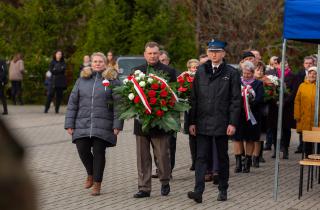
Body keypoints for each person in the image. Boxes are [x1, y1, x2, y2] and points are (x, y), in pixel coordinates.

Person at [187, 39, 241, 203]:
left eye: (217, 51)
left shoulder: (231, 72)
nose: (214, 54)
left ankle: (223, 189)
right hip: (202, 121)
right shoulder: (201, 70)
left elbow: (236, 100)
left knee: (222, 157)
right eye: (211, 51)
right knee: (201, 158)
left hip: (222, 122)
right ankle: (198, 191)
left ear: (223, 53)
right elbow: (194, 98)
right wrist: (192, 122)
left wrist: (232, 123)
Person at [65, 52, 123, 196]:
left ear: (105, 63)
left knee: (98, 152)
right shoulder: (82, 80)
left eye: (100, 61)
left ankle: (97, 183)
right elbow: (73, 102)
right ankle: (90, 174)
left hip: (104, 123)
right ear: (90, 63)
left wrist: (117, 124)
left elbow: (119, 104)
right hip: (82, 122)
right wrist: (69, 123)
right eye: (95, 61)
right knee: (82, 149)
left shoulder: (113, 80)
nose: (97, 63)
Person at [132, 41, 176, 198]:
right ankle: (144, 187)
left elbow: (175, 96)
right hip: (141, 123)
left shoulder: (169, 71)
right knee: (142, 157)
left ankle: (164, 181)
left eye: (155, 53)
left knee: (162, 155)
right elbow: (130, 95)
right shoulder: (137, 71)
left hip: (161, 122)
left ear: (159, 54)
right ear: (145, 54)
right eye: (149, 53)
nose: (152, 56)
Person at [233, 61, 264, 173]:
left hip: (252, 116)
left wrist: (249, 104)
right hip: (238, 115)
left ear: (252, 73)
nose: (246, 76)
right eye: (244, 73)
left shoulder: (258, 84)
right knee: (237, 138)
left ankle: (247, 162)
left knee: (250, 138)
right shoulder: (237, 82)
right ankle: (238, 163)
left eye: (249, 74)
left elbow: (260, 99)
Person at [152, 49, 177, 179]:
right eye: (160, 60)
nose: (162, 62)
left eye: (164, 60)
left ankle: (169, 169)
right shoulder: (153, 75)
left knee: (170, 144)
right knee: (157, 144)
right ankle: (159, 168)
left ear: (168, 61)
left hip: (170, 115)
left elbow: (177, 93)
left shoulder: (172, 73)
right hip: (156, 115)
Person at [266, 57, 297, 159]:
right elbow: (268, 89)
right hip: (274, 106)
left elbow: (293, 92)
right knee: (274, 128)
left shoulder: (292, 76)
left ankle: (286, 149)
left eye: (286, 63)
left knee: (286, 129)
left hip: (286, 107)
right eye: (282, 63)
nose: (285, 65)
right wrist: (274, 100)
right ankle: (276, 149)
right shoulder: (271, 74)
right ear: (277, 64)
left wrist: (284, 102)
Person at [294, 66, 318, 157]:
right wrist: (297, 115)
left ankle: (317, 157)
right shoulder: (302, 86)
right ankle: (308, 156)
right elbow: (297, 101)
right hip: (305, 117)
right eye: (311, 73)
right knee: (307, 139)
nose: (312, 75)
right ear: (307, 74)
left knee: (317, 138)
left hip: (317, 118)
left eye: (315, 73)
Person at [183, 59, 200, 171]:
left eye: (196, 67)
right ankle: (194, 160)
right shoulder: (184, 79)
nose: (194, 69)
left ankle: (200, 161)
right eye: (192, 67)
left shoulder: (202, 78)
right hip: (189, 110)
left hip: (200, 110)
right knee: (192, 138)